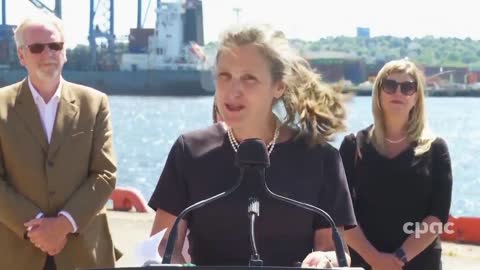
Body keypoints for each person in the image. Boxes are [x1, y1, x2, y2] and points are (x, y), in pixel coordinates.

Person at [149, 24, 356, 267]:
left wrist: (325, 260)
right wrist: (169, 262)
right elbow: (162, 244)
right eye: (224, 76)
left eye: (249, 79)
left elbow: (333, 249)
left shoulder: (321, 158)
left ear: (279, 87)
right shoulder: (189, 150)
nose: (232, 91)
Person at [0, 13, 119, 270]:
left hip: (82, 253)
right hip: (16, 254)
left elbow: (105, 174)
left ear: (64, 52)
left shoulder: (94, 103)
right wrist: (39, 226)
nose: (48, 53)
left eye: (55, 46)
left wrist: (64, 224)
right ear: (22, 56)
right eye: (37, 48)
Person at [339, 59, 452, 270]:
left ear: (416, 97)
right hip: (363, 263)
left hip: (420, 263)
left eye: (407, 87)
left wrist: (398, 258)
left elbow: (437, 216)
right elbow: (342, 212)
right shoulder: (353, 146)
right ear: (379, 93)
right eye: (389, 86)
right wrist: (374, 259)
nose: (397, 92)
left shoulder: (436, 149)